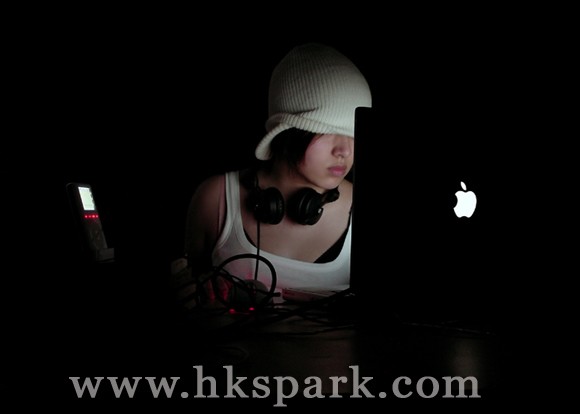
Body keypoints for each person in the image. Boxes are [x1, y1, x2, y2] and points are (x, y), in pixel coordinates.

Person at [183, 43, 372, 305]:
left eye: (353, 132)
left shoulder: (368, 209)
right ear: (287, 129)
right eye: (328, 130)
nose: (345, 150)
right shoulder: (215, 200)